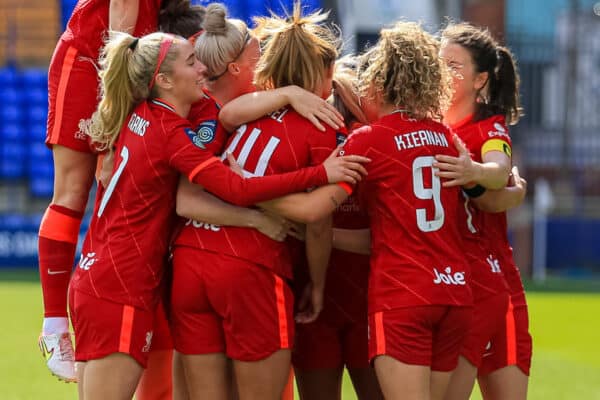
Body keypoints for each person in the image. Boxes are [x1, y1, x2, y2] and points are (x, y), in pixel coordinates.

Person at [68, 30, 368, 400]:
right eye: (192, 63)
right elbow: (247, 191)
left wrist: (285, 94)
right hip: (144, 280)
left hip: (122, 270)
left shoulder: (142, 113)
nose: (202, 70)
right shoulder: (176, 133)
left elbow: (190, 190)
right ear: (162, 80)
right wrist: (321, 175)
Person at [253, 21, 473, 400]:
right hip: (452, 290)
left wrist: (246, 193)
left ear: (377, 81)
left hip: (398, 293)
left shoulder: (367, 139)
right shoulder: (447, 138)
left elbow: (317, 212)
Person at [169, 4, 351, 399]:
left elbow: (226, 119)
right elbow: (317, 222)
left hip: (190, 259)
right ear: (326, 73)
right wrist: (317, 286)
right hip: (250, 268)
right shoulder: (320, 123)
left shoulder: (235, 111)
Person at [37, 0, 204, 383]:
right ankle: (54, 326)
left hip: (130, 67)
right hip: (93, 61)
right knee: (72, 191)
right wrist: (114, 134)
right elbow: (118, 37)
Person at [433, 22, 531, 400]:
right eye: (440, 62)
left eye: (455, 66)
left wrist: (474, 173)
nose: (444, 72)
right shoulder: (425, 124)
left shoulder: (489, 126)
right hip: (443, 281)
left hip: (490, 279)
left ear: (481, 80)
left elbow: (499, 170)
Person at [290, 54, 383, 400]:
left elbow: (315, 225)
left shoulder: (310, 139)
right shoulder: (373, 145)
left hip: (323, 293)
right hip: (355, 297)